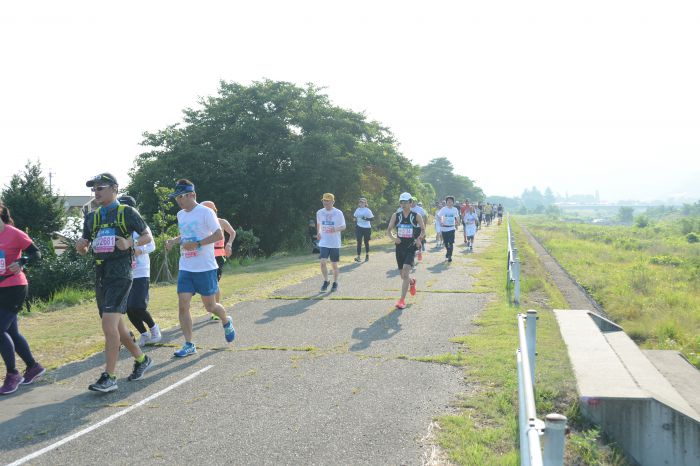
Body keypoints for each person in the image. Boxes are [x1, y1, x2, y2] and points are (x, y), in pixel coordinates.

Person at [76, 173, 154, 393]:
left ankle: (109, 377)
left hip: (121, 275)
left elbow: (147, 236)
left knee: (108, 326)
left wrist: (130, 242)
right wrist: (81, 246)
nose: (97, 192)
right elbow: (85, 248)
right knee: (117, 328)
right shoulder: (92, 217)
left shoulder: (127, 212)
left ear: (114, 189)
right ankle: (142, 359)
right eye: (94, 189)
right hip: (101, 275)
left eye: (101, 187)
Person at [165, 180, 236, 357]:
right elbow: (186, 234)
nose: (179, 201)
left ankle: (226, 320)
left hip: (205, 267)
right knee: (183, 305)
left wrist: (197, 244)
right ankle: (189, 344)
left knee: (210, 307)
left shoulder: (206, 212)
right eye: (176, 198)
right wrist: (174, 241)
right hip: (186, 267)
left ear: (192, 195)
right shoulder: (181, 214)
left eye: (181, 197)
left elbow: (219, 234)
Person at [0, 202, 45, 395]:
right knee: (12, 332)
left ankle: (13, 374)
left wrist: (21, 261)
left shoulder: (14, 233)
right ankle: (33, 367)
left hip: (15, 286)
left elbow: (36, 253)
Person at [117, 195, 161, 346]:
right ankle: (144, 334)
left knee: (138, 306)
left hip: (141, 270)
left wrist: (138, 251)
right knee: (128, 308)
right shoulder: (119, 227)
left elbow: (152, 246)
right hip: (126, 272)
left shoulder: (141, 226)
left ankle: (154, 328)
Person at [387, 193, 425, 309]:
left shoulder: (416, 215)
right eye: (401, 202)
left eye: (405, 202)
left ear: (410, 202)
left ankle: (402, 300)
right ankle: (412, 282)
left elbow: (423, 230)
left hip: (410, 246)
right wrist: (394, 238)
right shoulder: (396, 215)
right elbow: (389, 230)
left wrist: (419, 239)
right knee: (403, 276)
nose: (403, 204)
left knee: (406, 271)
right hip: (399, 247)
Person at [200, 200, 236, 318]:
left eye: (210, 210)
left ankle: (215, 309)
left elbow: (232, 232)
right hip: (204, 256)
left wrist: (229, 244)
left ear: (214, 210)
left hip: (218, 256)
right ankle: (212, 307)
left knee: (214, 282)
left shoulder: (221, 222)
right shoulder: (201, 224)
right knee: (207, 283)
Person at [316, 193, 346, 292]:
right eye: (324, 201)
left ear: (333, 202)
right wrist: (318, 233)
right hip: (324, 241)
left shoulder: (338, 213)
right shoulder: (319, 212)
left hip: (334, 242)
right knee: (322, 262)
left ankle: (335, 282)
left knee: (334, 264)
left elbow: (343, 226)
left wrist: (335, 229)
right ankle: (326, 281)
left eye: (328, 201)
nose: (326, 203)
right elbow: (319, 223)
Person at [437, 196, 460, 262]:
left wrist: (458, 222)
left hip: (451, 228)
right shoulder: (443, 209)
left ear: (453, 202)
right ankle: (448, 251)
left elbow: (457, 217)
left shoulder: (455, 209)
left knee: (451, 242)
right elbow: (439, 216)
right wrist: (441, 222)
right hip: (444, 228)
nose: (449, 202)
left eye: (451, 201)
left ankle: (450, 256)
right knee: (446, 243)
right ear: (446, 202)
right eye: (448, 201)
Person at [353, 197, 373, 262]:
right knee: (359, 241)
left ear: (365, 203)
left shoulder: (368, 210)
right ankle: (358, 257)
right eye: (360, 202)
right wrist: (355, 219)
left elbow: (372, 219)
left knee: (366, 242)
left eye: (363, 202)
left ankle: (367, 255)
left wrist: (365, 218)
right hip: (359, 227)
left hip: (367, 228)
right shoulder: (357, 210)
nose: (361, 203)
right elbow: (355, 217)